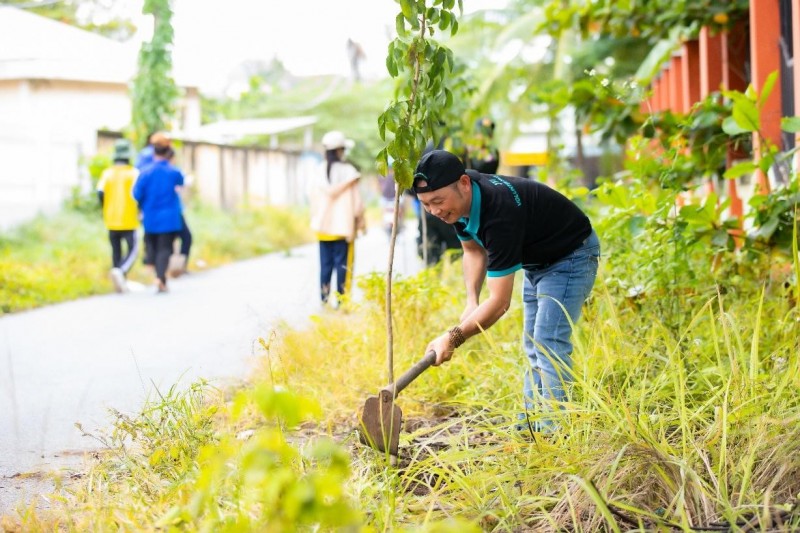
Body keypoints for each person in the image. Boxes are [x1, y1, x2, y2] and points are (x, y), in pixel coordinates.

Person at [412, 150, 600, 434]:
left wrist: (453, 338)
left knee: (548, 343)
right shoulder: (461, 203)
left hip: (571, 255)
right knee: (533, 345)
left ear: (464, 183)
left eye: (438, 201)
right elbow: (473, 251)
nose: (435, 211)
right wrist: (471, 300)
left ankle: (555, 432)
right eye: (426, 205)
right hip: (537, 261)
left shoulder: (499, 213)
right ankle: (529, 425)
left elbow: (500, 303)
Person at [308, 130, 365, 307]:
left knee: (325, 267)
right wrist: (361, 223)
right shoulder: (350, 172)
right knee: (343, 267)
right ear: (340, 150)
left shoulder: (317, 171)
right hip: (343, 229)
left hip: (323, 229)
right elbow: (357, 204)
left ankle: (324, 301)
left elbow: (312, 199)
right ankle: (342, 302)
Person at [133, 133, 185, 293]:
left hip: (150, 216)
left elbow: (136, 194)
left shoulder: (145, 172)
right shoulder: (174, 172)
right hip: (169, 218)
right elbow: (181, 183)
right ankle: (160, 277)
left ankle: (159, 276)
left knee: (153, 247)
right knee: (165, 248)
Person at [96, 139, 140, 293]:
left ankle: (119, 280)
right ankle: (120, 272)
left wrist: (106, 208)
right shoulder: (134, 173)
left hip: (111, 218)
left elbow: (100, 193)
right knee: (133, 250)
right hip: (129, 218)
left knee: (116, 251)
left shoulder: (107, 173)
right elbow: (139, 194)